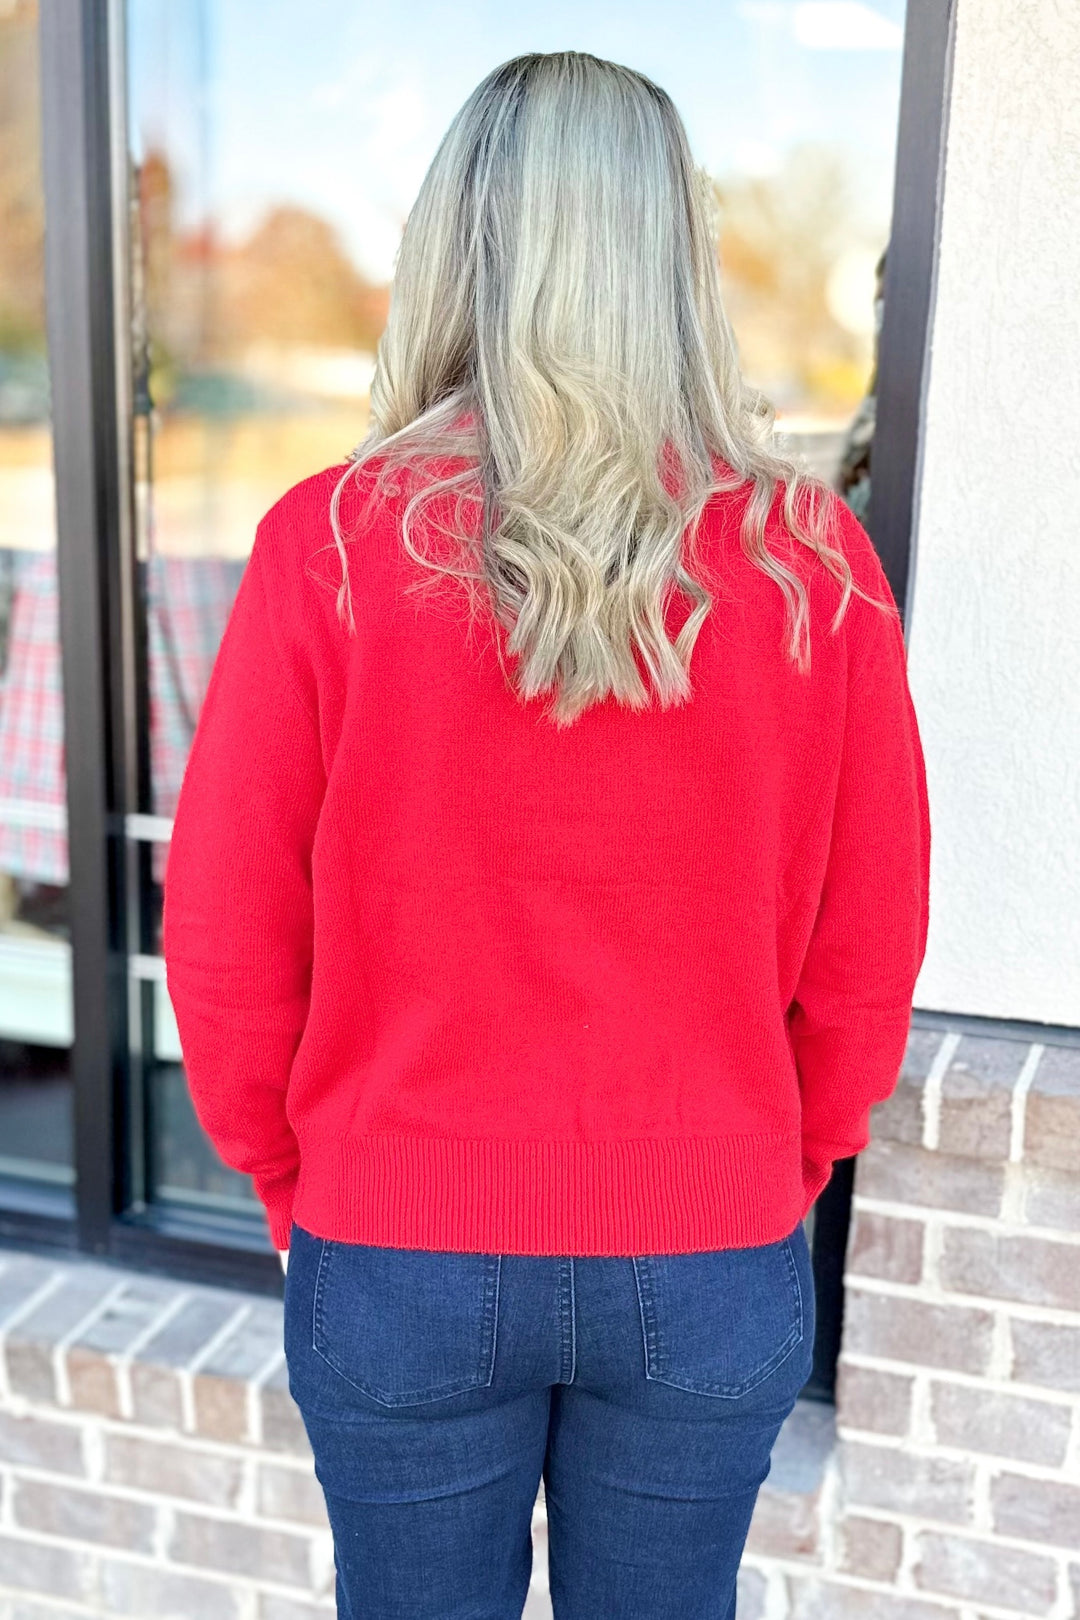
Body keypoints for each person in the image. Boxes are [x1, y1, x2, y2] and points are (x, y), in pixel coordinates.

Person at [162, 50, 930, 1620]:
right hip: (711, 1244)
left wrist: (292, 1185)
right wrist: (784, 1168)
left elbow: (227, 939)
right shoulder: (808, 560)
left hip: (399, 1243)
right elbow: (871, 946)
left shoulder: (333, 545)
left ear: (458, 243)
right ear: (676, 253)